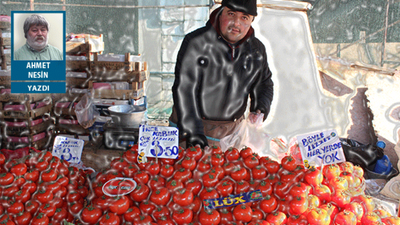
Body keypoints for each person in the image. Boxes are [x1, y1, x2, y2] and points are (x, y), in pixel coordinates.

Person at [170, 0, 274, 148]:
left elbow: (264, 83)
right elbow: (184, 89)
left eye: (244, 17)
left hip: (232, 131)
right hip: (191, 124)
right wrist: (193, 131)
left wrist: (260, 107)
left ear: (252, 20)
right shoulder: (195, 42)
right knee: (184, 170)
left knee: (231, 170)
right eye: (231, 14)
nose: (236, 23)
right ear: (220, 12)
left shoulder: (257, 49)